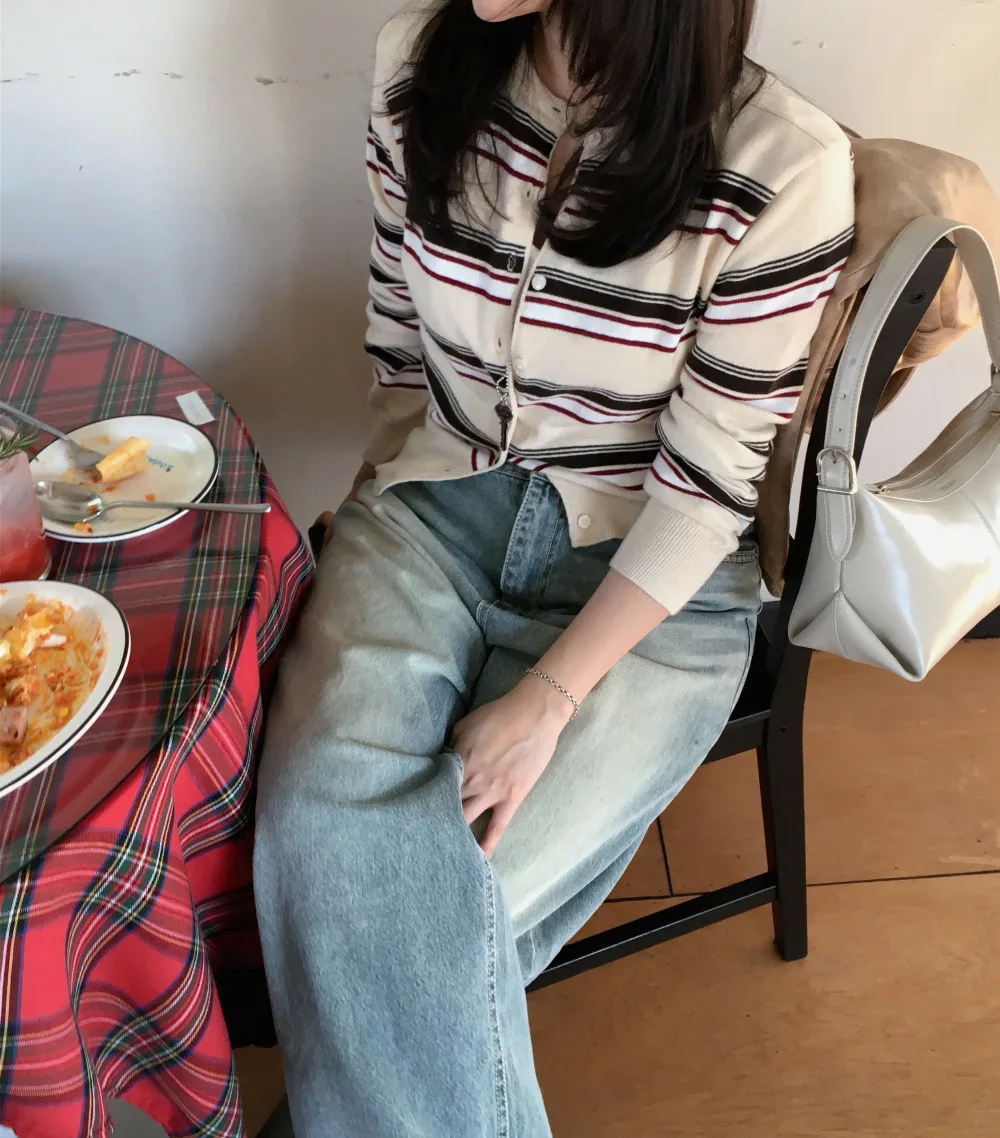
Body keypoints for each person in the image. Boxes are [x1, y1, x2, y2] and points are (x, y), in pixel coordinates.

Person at [253, 1, 855, 1134]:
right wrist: (376, 513)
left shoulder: (781, 167)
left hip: (649, 584)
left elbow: (706, 487)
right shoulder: (415, 64)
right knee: (332, 852)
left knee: (405, 907)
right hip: (431, 511)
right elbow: (396, 322)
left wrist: (548, 700)